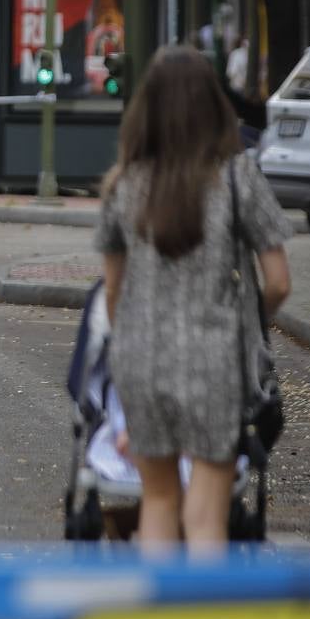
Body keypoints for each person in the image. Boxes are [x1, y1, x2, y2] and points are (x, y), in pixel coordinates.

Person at [95, 45, 292, 553]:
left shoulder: (123, 184)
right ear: (213, 105)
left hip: (141, 359)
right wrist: (251, 321)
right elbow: (278, 282)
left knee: (157, 500)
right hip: (214, 360)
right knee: (205, 514)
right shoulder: (237, 177)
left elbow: (113, 290)